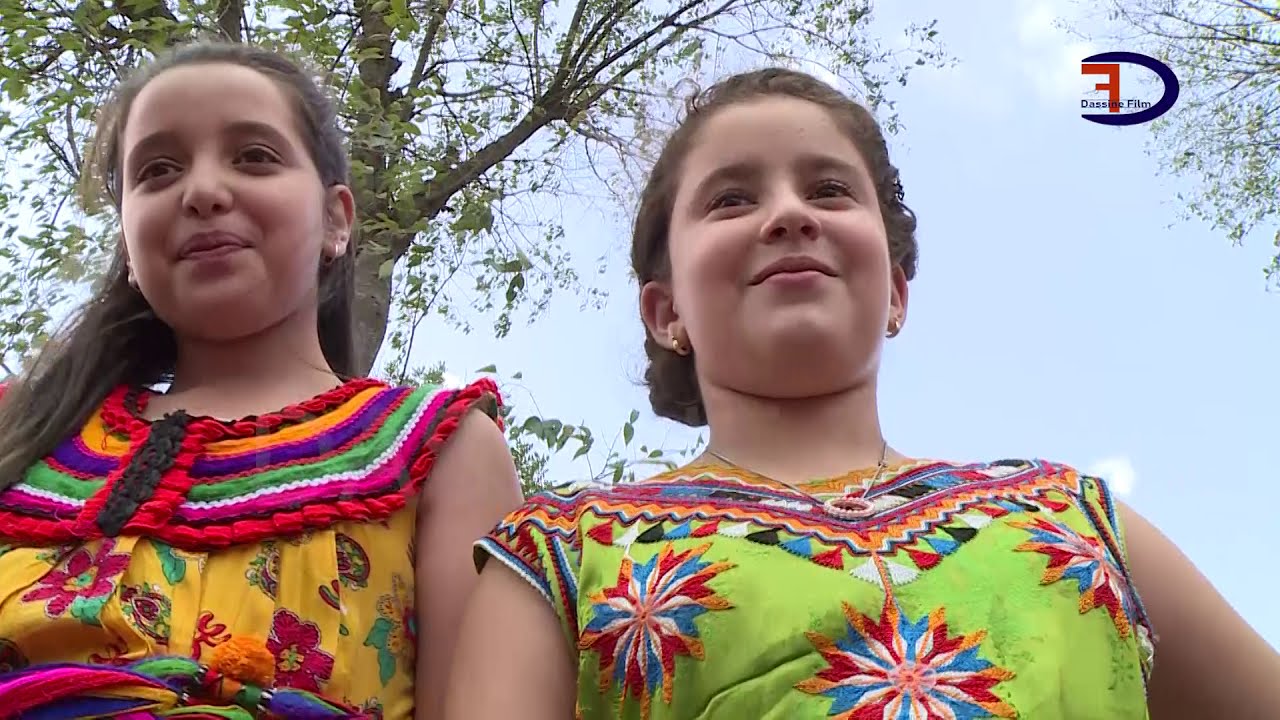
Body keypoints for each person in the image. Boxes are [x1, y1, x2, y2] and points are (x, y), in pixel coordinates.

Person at [445, 68, 1280, 719]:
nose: (788, 215)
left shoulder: (1075, 521)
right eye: (732, 198)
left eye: (830, 189)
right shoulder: (557, 559)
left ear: (895, 294)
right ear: (666, 313)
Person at [0, 40, 522, 719]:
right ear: (126, 244)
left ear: (336, 220)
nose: (204, 192)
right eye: (157, 170)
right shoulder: (21, 433)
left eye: (254, 156)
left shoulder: (444, 449)